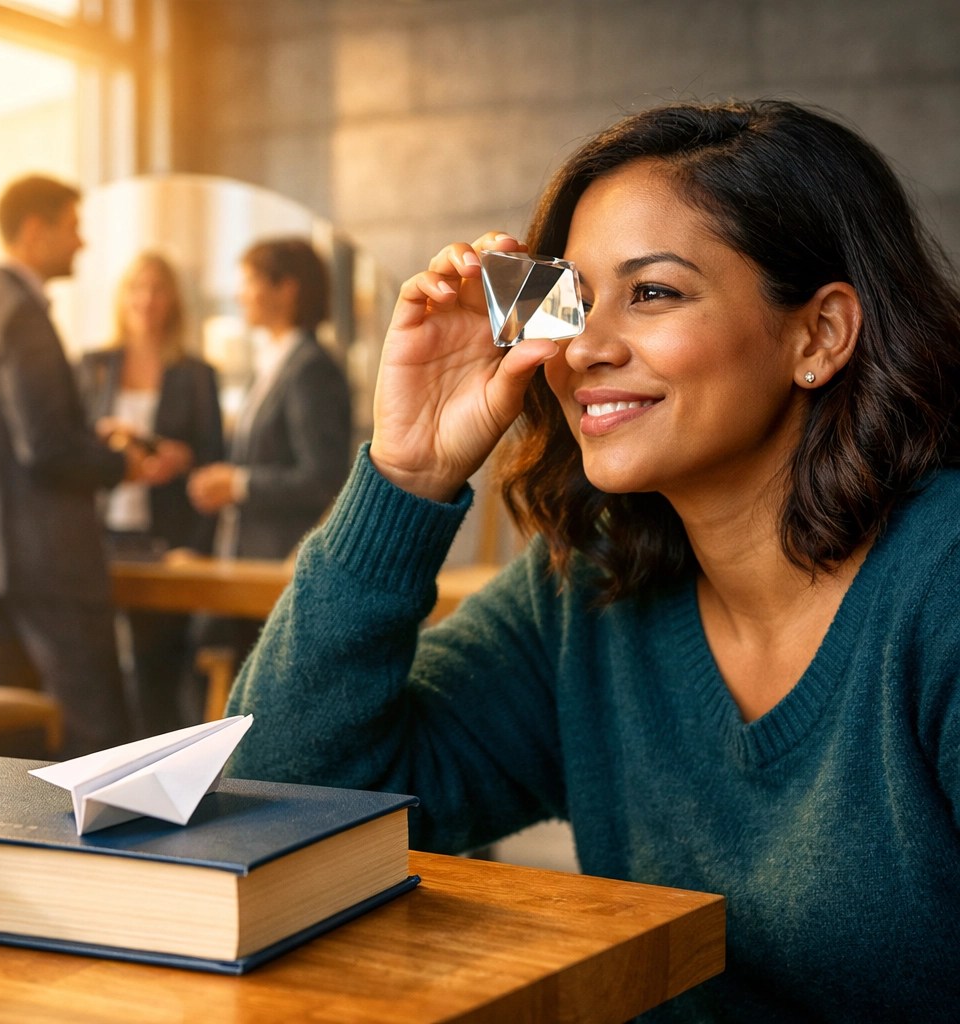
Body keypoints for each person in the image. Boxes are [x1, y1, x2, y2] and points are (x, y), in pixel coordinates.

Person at [224, 99, 960, 1021]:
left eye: (653, 293)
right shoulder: (590, 586)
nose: (583, 349)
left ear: (818, 335)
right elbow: (282, 807)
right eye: (570, 299)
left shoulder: (942, 584)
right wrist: (406, 475)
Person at [0, 174, 145, 756]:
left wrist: (86, 439)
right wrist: (120, 464)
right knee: (98, 738)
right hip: (43, 563)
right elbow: (45, 450)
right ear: (35, 230)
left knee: (0, 746)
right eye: (72, 227)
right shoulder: (22, 315)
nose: (82, 242)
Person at [187, 237, 352, 672]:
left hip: (281, 568)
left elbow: (322, 478)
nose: (240, 294)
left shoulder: (311, 367)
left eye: (249, 282)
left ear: (286, 289)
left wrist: (239, 484)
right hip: (251, 564)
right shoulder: (273, 361)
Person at [76, 250, 224, 734]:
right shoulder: (94, 366)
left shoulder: (196, 373)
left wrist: (182, 458)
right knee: (97, 672)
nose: (147, 299)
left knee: (158, 668)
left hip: (167, 536)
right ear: (123, 297)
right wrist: (105, 439)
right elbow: (71, 446)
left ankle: (162, 758)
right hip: (100, 532)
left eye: (158, 289)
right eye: (138, 288)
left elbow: (215, 459)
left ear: (174, 300)